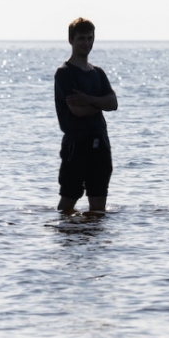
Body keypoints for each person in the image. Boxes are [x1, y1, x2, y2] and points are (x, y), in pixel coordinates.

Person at [54, 17, 118, 214]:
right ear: (71, 40)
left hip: (100, 143)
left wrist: (89, 99)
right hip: (76, 144)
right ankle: (69, 240)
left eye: (90, 38)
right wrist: (100, 103)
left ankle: (93, 243)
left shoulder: (98, 73)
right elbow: (78, 111)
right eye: (81, 38)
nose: (86, 43)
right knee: (68, 202)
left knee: (98, 207)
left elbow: (113, 103)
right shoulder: (65, 73)